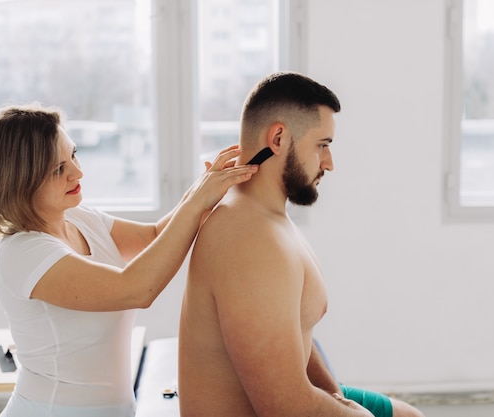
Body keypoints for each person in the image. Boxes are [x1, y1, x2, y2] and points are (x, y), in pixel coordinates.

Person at [0, 103, 258, 417]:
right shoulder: (22, 252)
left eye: (74, 155)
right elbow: (137, 289)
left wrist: (205, 185)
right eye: (58, 169)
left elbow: (154, 236)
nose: (78, 172)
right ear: (19, 180)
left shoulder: (79, 218)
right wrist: (199, 199)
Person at [178, 72, 424, 417]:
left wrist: (335, 395)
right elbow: (284, 408)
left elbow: (292, 332)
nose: (329, 163)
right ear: (278, 137)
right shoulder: (248, 241)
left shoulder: (263, 213)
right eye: (322, 145)